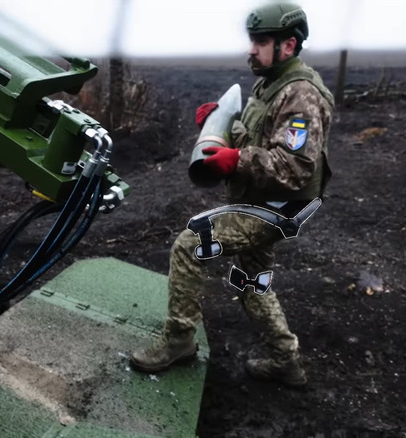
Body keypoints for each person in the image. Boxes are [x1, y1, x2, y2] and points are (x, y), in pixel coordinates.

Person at [130, 2, 334, 387]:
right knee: (252, 280)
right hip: (262, 199)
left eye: (261, 41)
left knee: (190, 245)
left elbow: (294, 169)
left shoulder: (302, 95)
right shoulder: (272, 82)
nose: (252, 49)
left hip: (276, 206)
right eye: (252, 40)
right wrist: (222, 125)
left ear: (288, 45)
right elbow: (260, 134)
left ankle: (179, 341)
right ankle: (285, 360)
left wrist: (236, 159)